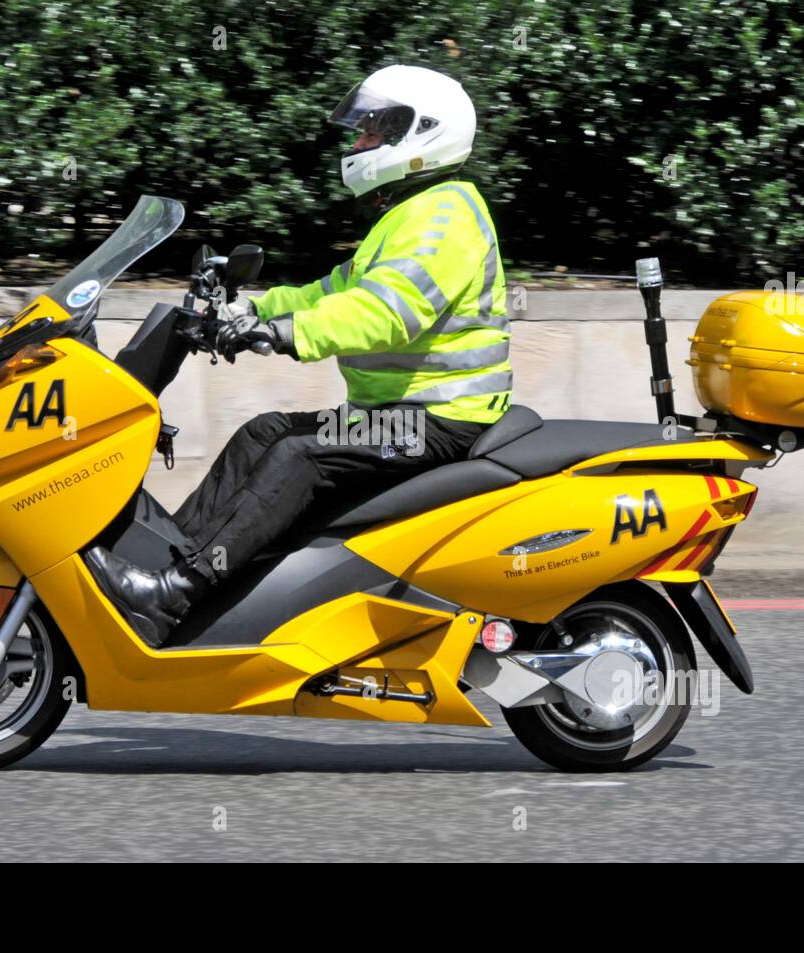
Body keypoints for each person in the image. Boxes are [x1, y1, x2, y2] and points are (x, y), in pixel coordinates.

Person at [86, 64, 512, 648]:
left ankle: (178, 591)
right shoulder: (412, 213)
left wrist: (285, 334)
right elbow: (332, 292)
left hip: (442, 419)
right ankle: (167, 562)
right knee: (263, 432)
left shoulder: (445, 218)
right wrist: (251, 313)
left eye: (371, 131)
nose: (358, 143)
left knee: (300, 455)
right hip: (398, 414)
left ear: (420, 133)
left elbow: (386, 314)